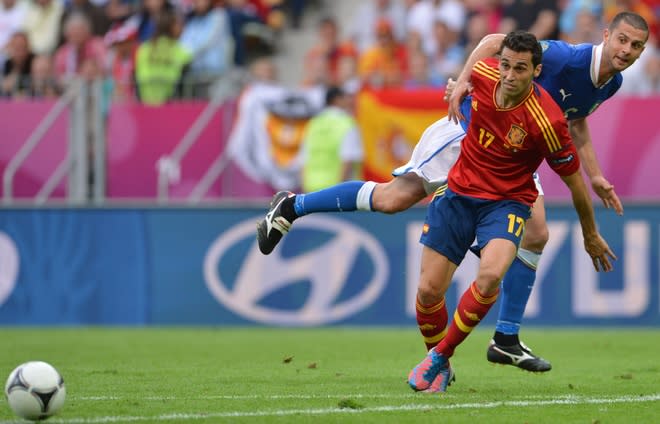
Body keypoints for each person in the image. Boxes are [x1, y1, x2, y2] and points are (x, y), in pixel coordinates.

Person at [256, 12, 648, 371]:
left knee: (537, 233)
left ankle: (506, 338)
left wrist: (595, 175)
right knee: (395, 199)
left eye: (636, 46)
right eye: (622, 41)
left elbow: (573, 122)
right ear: (607, 35)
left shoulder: (610, 83)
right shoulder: (566, 57)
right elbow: (497, 39)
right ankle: (293, 205)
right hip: (467, 134)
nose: (627, 51)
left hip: (511, 156)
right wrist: (463, 81)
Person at [406, 30, 615, 393]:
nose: (509, 75)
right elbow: (485, 48)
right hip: (457, 194)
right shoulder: (484, 74)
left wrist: (590, 232)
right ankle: (442, 365)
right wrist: (458, 86)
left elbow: (575, 185)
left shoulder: (548, 121)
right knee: (427, 292)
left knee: (489, 276)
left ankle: (440, 356)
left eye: (520, 68)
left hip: (507, 204)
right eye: (505, 66)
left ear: (536, 72)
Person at [298, 86, 363, 193]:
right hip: (336, 191)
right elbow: (348, 160)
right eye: (346, 97)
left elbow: (303, 159)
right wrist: (338, 192)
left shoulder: (314, 123)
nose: (350, 101)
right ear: (337, 99)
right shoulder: (347, 123)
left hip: (311, 189)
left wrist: (305, 188)